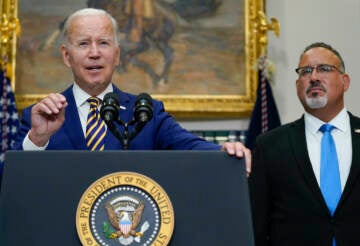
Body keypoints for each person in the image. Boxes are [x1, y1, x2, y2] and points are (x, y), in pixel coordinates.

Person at [13, 8, 250, 174]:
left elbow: (189, 146)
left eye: (103, 43)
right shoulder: (41, 116)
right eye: (84, 43)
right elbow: (11, 180)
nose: (94, 53)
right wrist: (37, 139)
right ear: (67, 56)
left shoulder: (146, 112)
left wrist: (224, 150)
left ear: (117, 55)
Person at [249, 42, 360, 246]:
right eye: (305, 72)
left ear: (345, 81)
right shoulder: (270, 145)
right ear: (298, 85)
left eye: (324, 69)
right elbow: (257, 227)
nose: (313, 77)